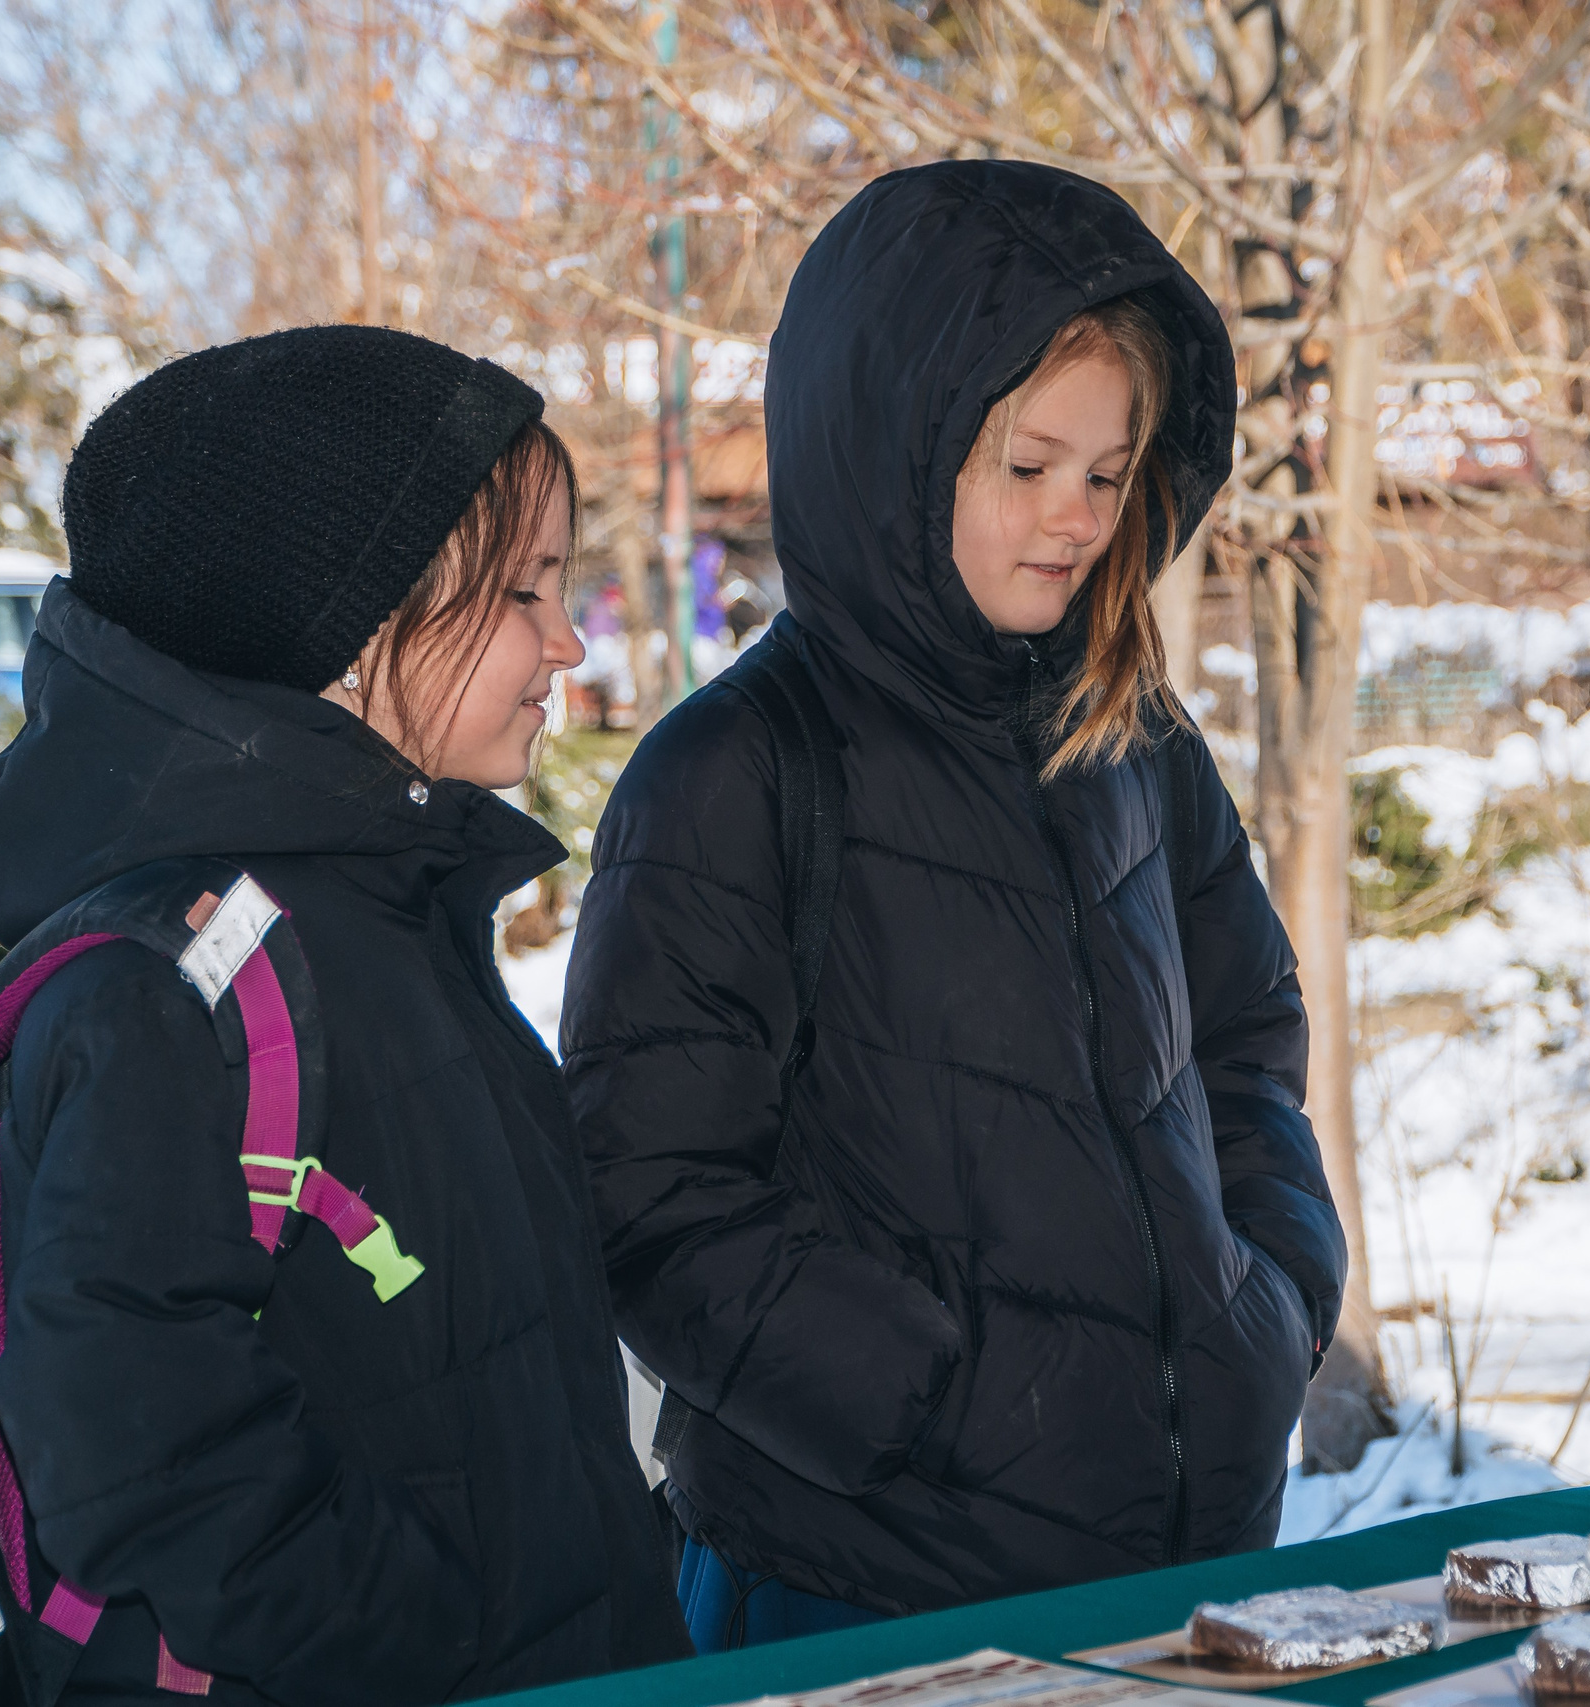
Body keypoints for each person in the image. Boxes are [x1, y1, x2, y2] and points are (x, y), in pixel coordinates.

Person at [560, 160, 1347, 1648]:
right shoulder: (734, 769)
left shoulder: (1133, 735)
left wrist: (1269, 1305)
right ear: (895, 452)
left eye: (1108, 475)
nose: (1074, 520)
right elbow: (649, 1192)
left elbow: (1247, 1039)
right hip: (861, 1588)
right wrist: (928, 1398)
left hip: (1180, 1573)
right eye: (1026, 466)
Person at [0, 326, 691, 1702]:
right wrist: (420, 1642)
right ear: (346, 625)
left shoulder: (389, 918)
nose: (569, 640)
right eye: (522, 592)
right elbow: (140, 1445)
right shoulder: (177, 983)